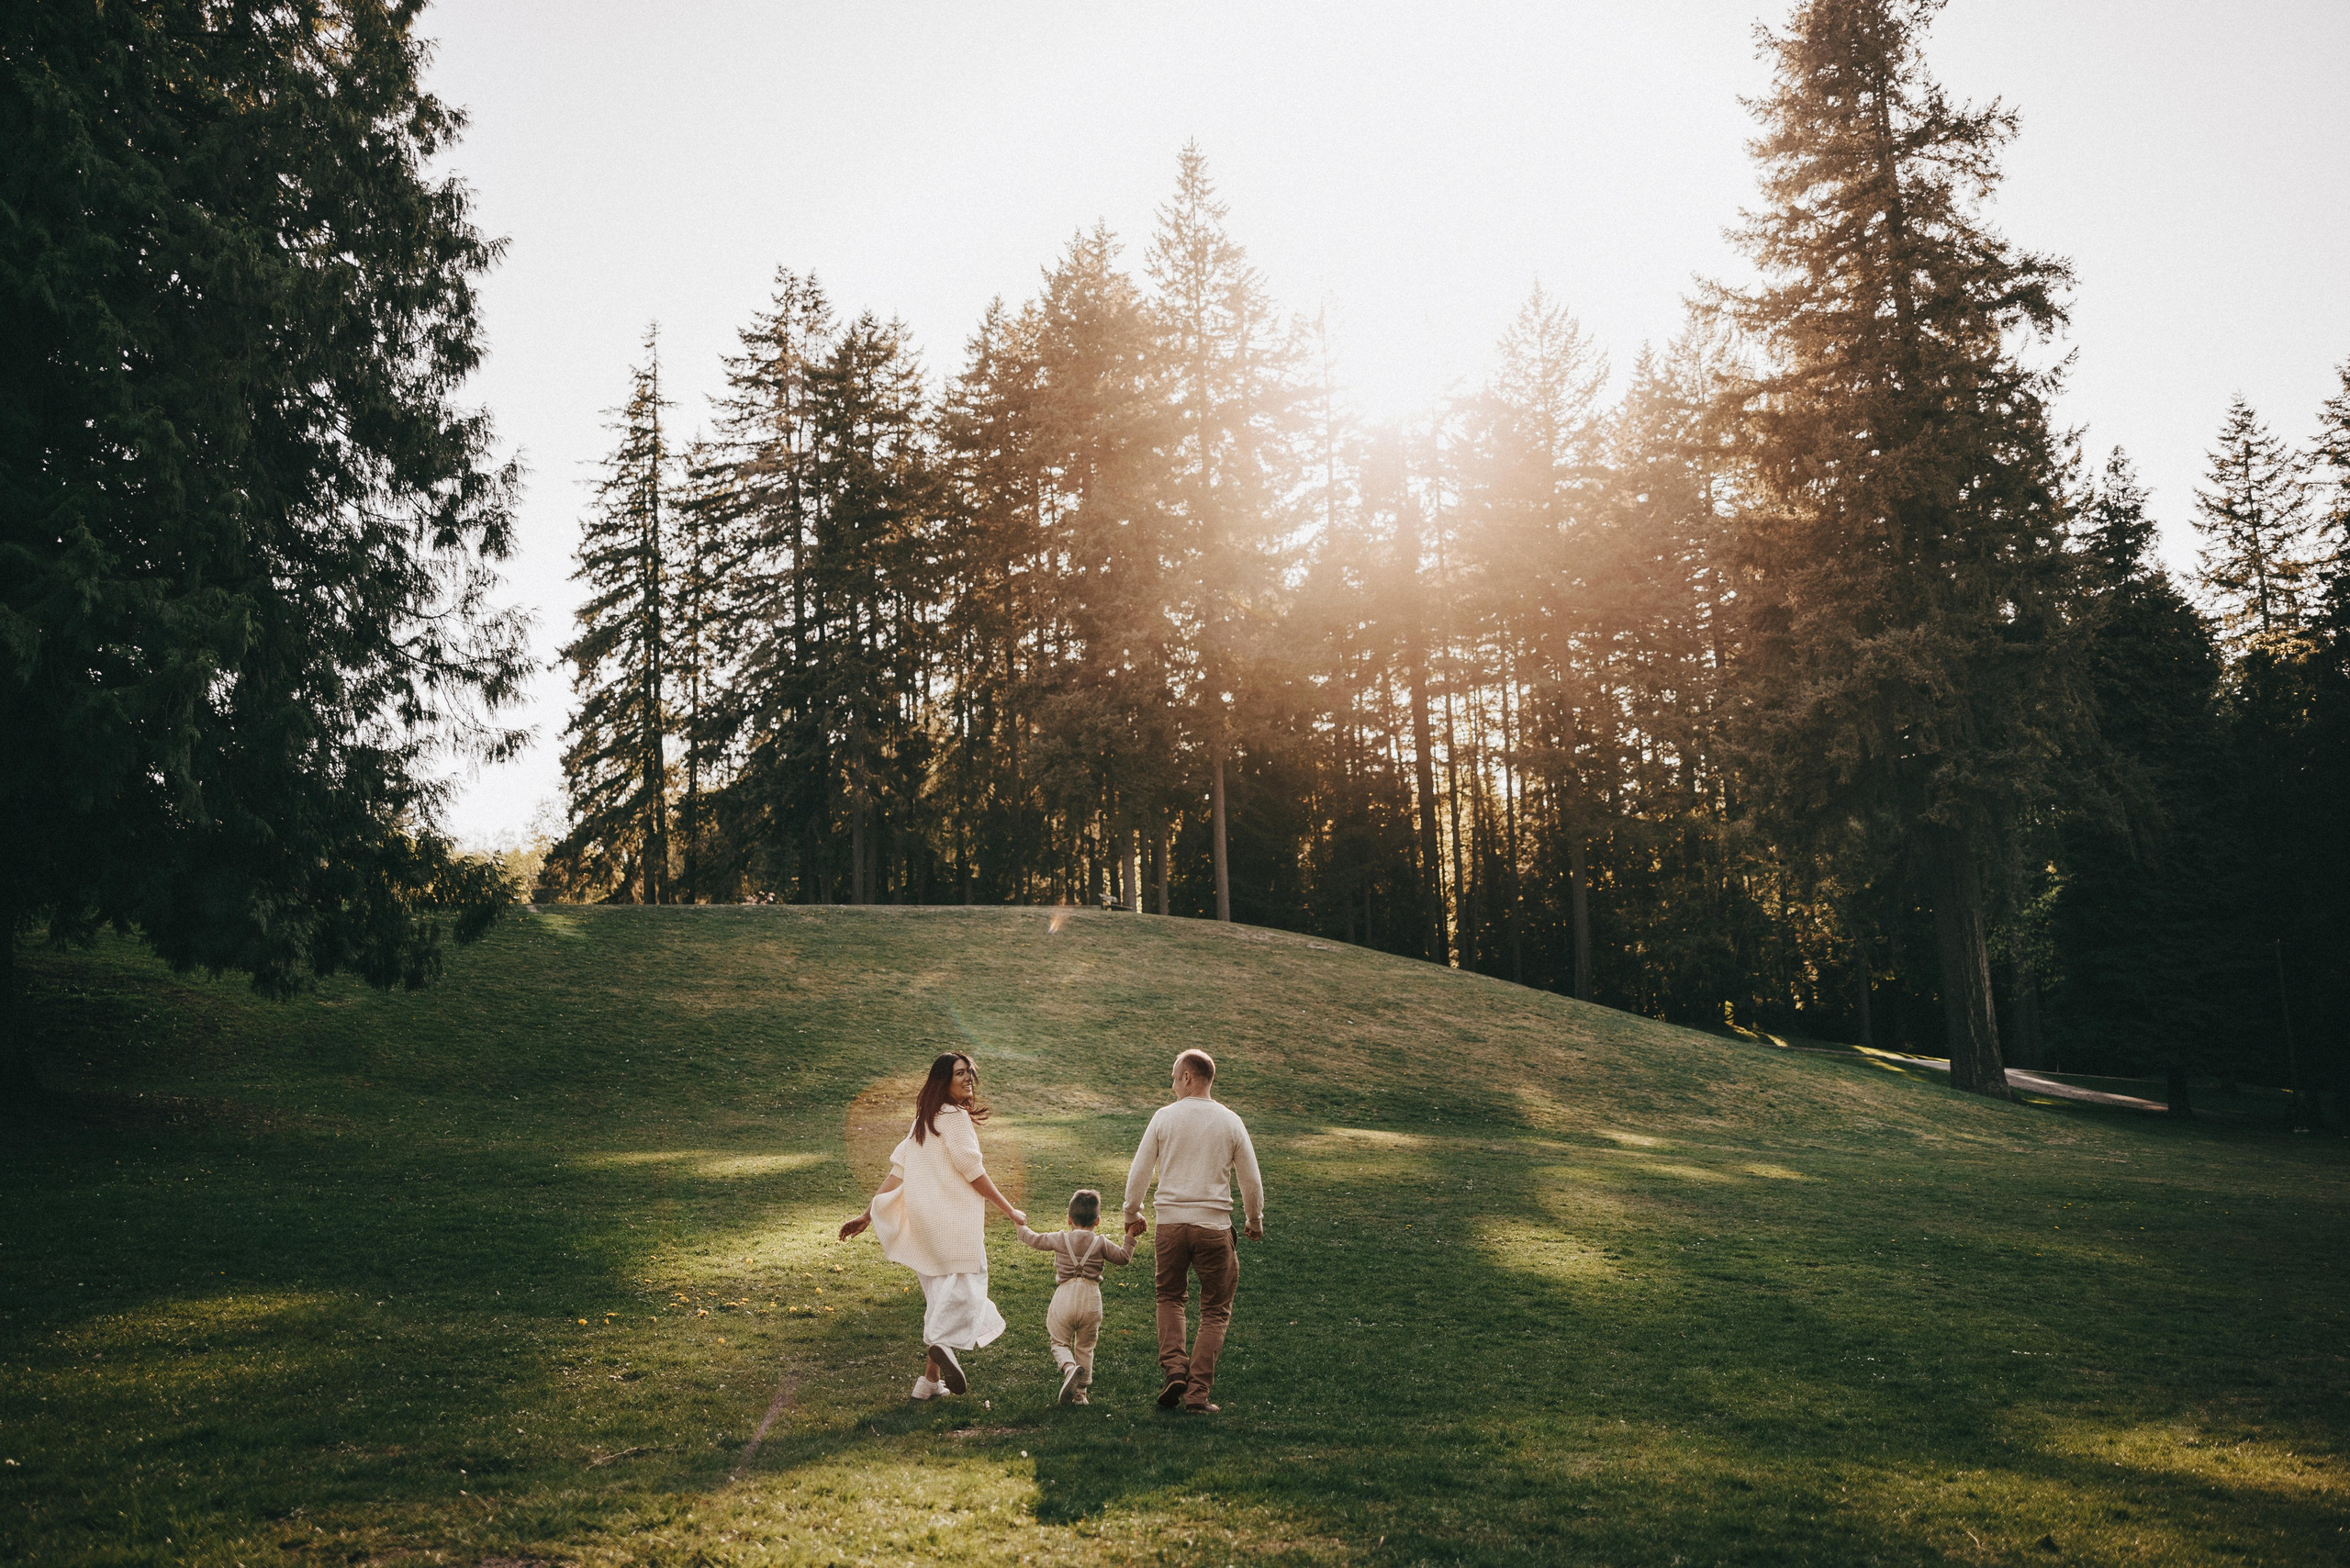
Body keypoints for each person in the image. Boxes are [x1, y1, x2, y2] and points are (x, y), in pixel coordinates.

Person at [839, 1052, 1024, 1398]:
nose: (968, 1078)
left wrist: (867, 1215)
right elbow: (973, 1171)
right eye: (959, 1074)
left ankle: (929, 1382)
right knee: (970, 1289)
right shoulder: (954, 1119)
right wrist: (1010, 1209)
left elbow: (897, 1172)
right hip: (954, 1226)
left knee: (940, 1300)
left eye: (969, 1072)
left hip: (925, 1228)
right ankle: (942, 1343)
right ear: (944, 1081)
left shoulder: (924, 1120)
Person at [1122, 1048, 1264, 1414]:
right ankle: (1197, 1395)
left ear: (1188, 1076)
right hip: (1214, 1228)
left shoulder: (1163, 1118)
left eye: (1173, 1077)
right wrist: (1254, 1219)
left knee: (1169, 1298)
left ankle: (1174, 1369)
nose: (1172, 1085)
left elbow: (1140, 1170)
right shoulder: (1231, 1121)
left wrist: (1132, 1212)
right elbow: (1250, 1178)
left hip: (1170, 1226)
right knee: (1215, 1310)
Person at [1015, 1188, 1135, 1405]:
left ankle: (1069, 1368)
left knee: (1060, 1342)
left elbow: (1035, 1240)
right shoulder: (1101, 1243)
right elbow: (1124, 1257)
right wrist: (1131, 1235)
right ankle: (1080, 1396)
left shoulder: (1060, 1239)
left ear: (1069, 1219)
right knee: (1085, 1347)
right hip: (1091, 1299)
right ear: (1097, 1221)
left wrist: (1019, 1225)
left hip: (1065, 1297)